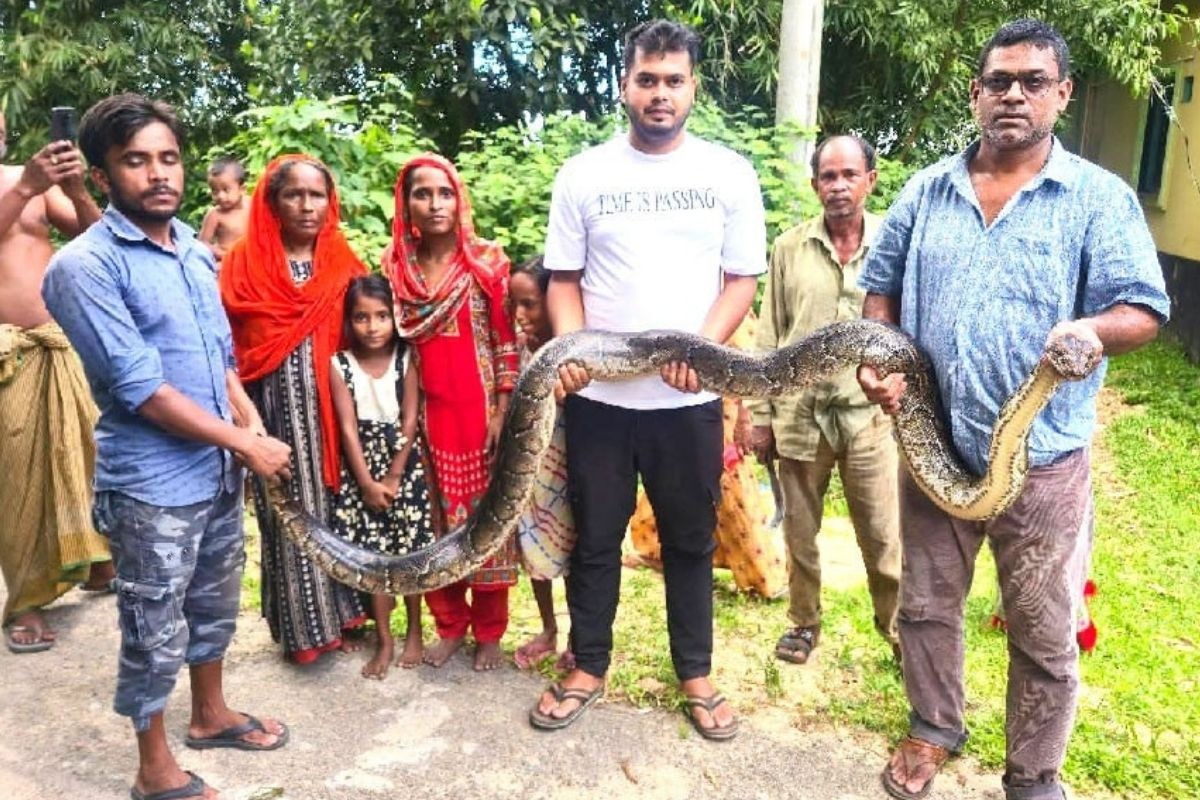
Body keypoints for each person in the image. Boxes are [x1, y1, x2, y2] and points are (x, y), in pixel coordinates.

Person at [855, 20, 1170, 800]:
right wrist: (878, 357)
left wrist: (1094, 331)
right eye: (999, 81)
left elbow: (1143, 308)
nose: (1014, 95)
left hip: (1045, 462)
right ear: (976, 93)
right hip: (933, 443)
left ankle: (1033, 774)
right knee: (926, 607)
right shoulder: (926, 190)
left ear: (1062, 94)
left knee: (1043, 628)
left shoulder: (1098, 198)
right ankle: (933, 728)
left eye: (1034, 81)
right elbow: (880, 291)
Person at [42, 93, 293, 800]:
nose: (158, 174)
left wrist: (246, 422)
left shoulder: (189, 246)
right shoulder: (83, 269)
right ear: (100, 177)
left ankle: (210, 715)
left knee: (213, 601)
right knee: (153, 621)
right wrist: (245, 445)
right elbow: (141, 390)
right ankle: (154, 771)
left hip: (214, 469)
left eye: (169, 158)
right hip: (151, 483)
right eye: (135, 161)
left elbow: (218, 356)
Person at [531, 19, 767, 740]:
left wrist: (702, 346)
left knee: (689, 540)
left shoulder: (727, 174)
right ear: (624, 86)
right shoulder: (585, 174)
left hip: (688, 399)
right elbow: (562, 280)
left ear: (694, 87)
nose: (659, 94)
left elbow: (741, 280)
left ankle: (694, 674)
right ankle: (587, 665)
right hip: (600, 401)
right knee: (596, 537)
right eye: (647, 80)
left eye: (673, 81)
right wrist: (573, 349)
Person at [747, 134, 901, 666]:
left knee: (883, 537)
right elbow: (770, 335)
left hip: (868, 417)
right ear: (815, 185)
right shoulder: (789, 246)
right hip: (799, 413)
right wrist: (759, 416)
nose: (838, 186)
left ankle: (896, 629)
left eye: (849, 175)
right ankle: (803, 622)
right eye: (828, 177)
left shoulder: (892, 241)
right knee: (801, 533)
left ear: (869, 181)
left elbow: (907, 328)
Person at [220, 154, 369, 664]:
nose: (307, 206)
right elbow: (229, 350)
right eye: (294, 195)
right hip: (273, 416)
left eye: (317, 195)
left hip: (336, 418)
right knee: (288, 516)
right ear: (273, 202)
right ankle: (304, 633)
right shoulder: (245, 264)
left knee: (339, 512)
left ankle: (346, 614)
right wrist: (243, 427)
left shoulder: (344, 263)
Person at [384, 152, 520, 672]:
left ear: (458, 198)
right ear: (407, 203)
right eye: (422, 193)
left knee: (487, 527)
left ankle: (489, 632)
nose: (435, 203)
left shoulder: (485, 263)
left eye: (444, 192)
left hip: (479, 419)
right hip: (426, 421)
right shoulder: (396, 269)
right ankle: (449, 625)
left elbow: (504, 341)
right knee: (435, 527)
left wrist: (502, 411)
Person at [0, 108, 112, 654]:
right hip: (7, 351)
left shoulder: (33, 179)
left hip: (57, 338)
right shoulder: (24, 181)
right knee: (20, 473)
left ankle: (94, 561)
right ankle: (25, 598)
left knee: (88, 451)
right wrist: (24, 187)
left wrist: (72, 186)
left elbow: (98, 237)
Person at [625, 312, 787, 599]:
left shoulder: (737, 313)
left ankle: (763, 577)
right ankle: (659, 551)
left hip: (723, 410)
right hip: (689, 405)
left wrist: (745, 418)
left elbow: (752, 369)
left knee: (728, 483)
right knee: (678, 483)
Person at [329, 274, 435, 679]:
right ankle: (385, 638)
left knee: (409, 553)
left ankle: (413, 630)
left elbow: (410, 418)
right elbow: (347, 428)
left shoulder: (406, 358)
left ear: (395, 317)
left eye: (381, 316)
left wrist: (393, 474)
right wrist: (367, 483)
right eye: (361, 318)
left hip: (403, 465)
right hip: (362, 470)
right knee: (373, 558)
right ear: (349, 321)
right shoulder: (340, 365)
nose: (372, 327)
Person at [508, 256, 576, 672]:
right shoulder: (516, 353)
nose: (520, 315)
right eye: (514, 304)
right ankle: (548, 628)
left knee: (576, 553)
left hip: (570, 469)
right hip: (530, 476)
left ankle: (579, 635)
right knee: (533, 549)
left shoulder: (573, 356)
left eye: (529, 304)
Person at [198, 156, 249, 262]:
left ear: (242, 190)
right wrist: (223, 255)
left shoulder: (252, 205)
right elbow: (202, 244)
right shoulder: (215, 215)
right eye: (215, 191)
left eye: (226, 190)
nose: (220, 196)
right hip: (227, 262)